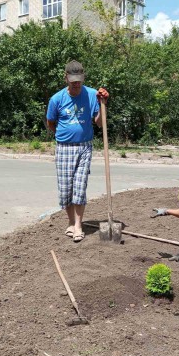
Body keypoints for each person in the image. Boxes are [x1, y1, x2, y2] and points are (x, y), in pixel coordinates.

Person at [46, 60, 109, 243]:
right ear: (66, 77)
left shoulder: (91, 95)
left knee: (79, 188)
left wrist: (102, 103)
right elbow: (51, 123)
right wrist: (63, 134)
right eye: (72, 80)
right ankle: (71, 222)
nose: (76, 84)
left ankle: (79, 226)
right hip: (64, 147)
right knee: (66, 190)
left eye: (79, 80)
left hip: (84, 147)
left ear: (83, 77)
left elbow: (98, 122)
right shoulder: (57, 99)